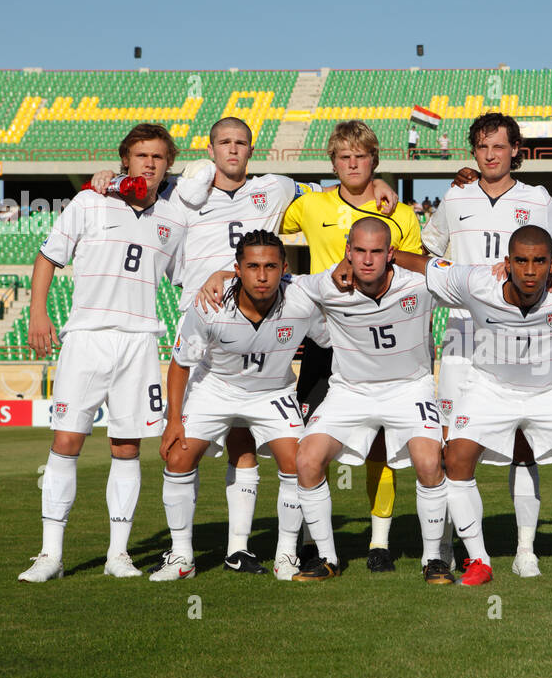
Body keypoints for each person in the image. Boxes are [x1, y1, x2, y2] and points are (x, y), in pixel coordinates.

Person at [90, 117, 390, 574]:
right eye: (224, 143)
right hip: (207, 329)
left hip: (264, 329)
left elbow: (341, 188)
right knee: (183, 450)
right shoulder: (180, 193)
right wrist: (106, 180)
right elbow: (143, 182)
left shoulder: (276, 187)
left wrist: (379, 182)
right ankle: (182, 552)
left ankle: (250, 549)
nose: (232, 150)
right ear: (210, 150)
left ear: (252, 149)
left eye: (241, 143)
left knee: (247, 445)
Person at [422, 111, 552, 575]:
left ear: (515, 151)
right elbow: (430, 252)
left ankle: (526, 549)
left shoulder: (537, 198)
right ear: (474, 152)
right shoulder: (456, 195)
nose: (490, 155)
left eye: (499, 147)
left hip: (520, 334)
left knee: (524, 440)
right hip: (465, 333)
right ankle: (445, 551)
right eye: (482, 147)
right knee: (451, 446)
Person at [18, 122, 189, 583]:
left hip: (139, 341)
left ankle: (119, 555)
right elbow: (48, 258)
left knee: (127, 447)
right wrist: (39, 313)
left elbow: (183, 277)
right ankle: (50, 555)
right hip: (87, 336)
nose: (149, 163)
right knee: (66, 441)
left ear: (168, 165)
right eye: (141, 155)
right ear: (125, 160)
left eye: (158, 157)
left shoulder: (175, 219)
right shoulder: (90, 202)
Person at [157, 232, 326, 581]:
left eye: (269, 266)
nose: (261, 276)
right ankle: (181, 557)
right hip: (215, 387)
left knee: (298, 462)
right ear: (236, 270)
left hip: (272, 391)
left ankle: (286, 555)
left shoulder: (302, 302)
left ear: (284, 268)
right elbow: (180, 364)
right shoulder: (208, 305)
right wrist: (174, 420)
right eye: (252, 267)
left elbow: (332, 340)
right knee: (179, 455)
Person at [290, 217, 449, 582]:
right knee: (308, 458)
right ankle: (327, 558)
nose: (366, 260)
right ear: (348, 252)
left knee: (428, 462)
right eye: (359, 251)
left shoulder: (420, 285)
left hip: (409, 389)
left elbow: (464, 276)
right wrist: (218, 278)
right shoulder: (327, 286)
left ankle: (433, 559)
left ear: (391, 253)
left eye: (377, 252)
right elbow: (274, 282)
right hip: (350, 391)